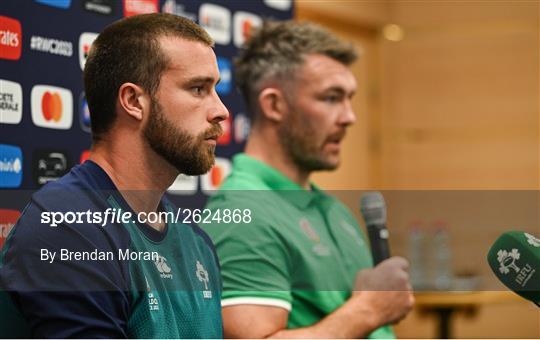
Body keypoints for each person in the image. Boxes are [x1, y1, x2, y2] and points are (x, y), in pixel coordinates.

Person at [0, 13, 228, 338]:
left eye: (215, 89)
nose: (221, 110)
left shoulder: (196, 242)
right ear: (134, 101)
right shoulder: (68, 226)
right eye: (197, 89)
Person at [203, 20, 414, 338]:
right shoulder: (244, 212)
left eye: (349, 98)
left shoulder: (330, 207)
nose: (349, 117)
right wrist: (368, 309)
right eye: (331, 98)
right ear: (274, 104)